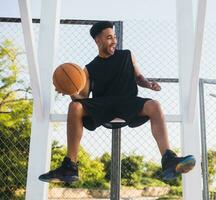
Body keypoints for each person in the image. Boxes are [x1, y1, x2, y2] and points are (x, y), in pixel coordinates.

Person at [39, 21, 195, 183]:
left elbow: (138, 77)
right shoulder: (88, 69)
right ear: (97, 41)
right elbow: (83, 99)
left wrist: (148, 84)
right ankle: (70, 166)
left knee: (154, 105)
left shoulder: (127, 55)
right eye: (108, 38)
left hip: (127, 101)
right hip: (103, 104)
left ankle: (169, 159)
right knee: (75, 106)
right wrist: (71, 92)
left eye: (114, 37)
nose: (114, 41)